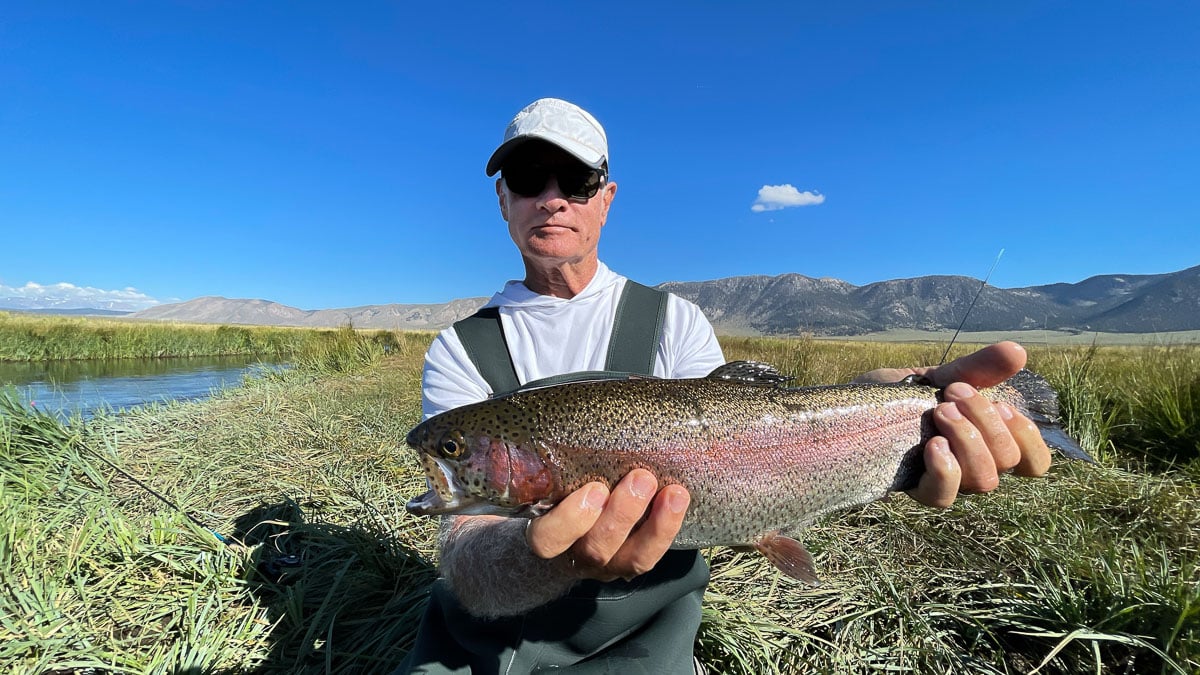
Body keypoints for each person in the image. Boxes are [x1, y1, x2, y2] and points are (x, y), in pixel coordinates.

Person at [395, 98, 1051, 674]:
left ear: (608, 195)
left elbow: (768, 423)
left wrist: (899, 399)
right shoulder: (460, 349)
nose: (553, 195)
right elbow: (468, 556)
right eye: (528, 176)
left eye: (576, 177)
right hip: (491, 655)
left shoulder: (673, 321)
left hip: (653, 652)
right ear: (503, 197)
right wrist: (541, 554)